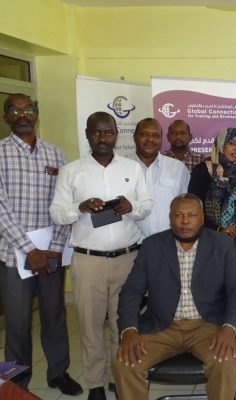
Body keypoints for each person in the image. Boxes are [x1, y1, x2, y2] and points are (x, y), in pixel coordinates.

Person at [50, 111, 153, 400]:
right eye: (96, 132)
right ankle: (96, 383)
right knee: (90, 324)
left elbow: (147, 205)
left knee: (124, 323)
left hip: (127, 259)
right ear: (88, 134)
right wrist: (80, 207)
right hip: (88, 260)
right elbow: (57, 213)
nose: (103, 137)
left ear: (116, 135)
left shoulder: (132, 169)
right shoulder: (71, 171)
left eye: (108, 132)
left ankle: (118, 376)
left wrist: (131, 207)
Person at [112, 193, 236, 400]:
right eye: (178, 215)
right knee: (125, 363)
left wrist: (230, 327)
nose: (184, 221)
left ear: (202, 218)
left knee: (226, 362)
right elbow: (131, 291)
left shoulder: (222, 244)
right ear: (170, 218)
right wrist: (129, 329)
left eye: (191, 215)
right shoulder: (152, 246)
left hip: (207, 326)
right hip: (161, 327)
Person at [0, 94, 82, 395]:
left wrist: (56, 249)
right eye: (15, 110)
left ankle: (58, 373)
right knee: (17, 322)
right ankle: (16, 383)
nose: (23, 115)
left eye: (28, 110)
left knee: (55, 315)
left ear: (37, 114)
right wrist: (30, 250)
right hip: (14, 254)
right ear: (6, 117)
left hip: (51, 254)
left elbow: (66, 204)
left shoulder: (56, 154)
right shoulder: (0, 153)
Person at [188, 127, 236, 242]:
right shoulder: (203, 170)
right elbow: (194, 207)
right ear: (222, 144)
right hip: (208, 236)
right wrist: (219, 229)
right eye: (232, 143)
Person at [132, 118, 189, 238]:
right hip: (133, 244)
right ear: (135, 137)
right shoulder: (123, 168)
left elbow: (185, 206)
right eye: (144, 134)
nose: (150, 139)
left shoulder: (178, 168)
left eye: (155, 135)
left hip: (170, 241)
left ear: (161, 139)